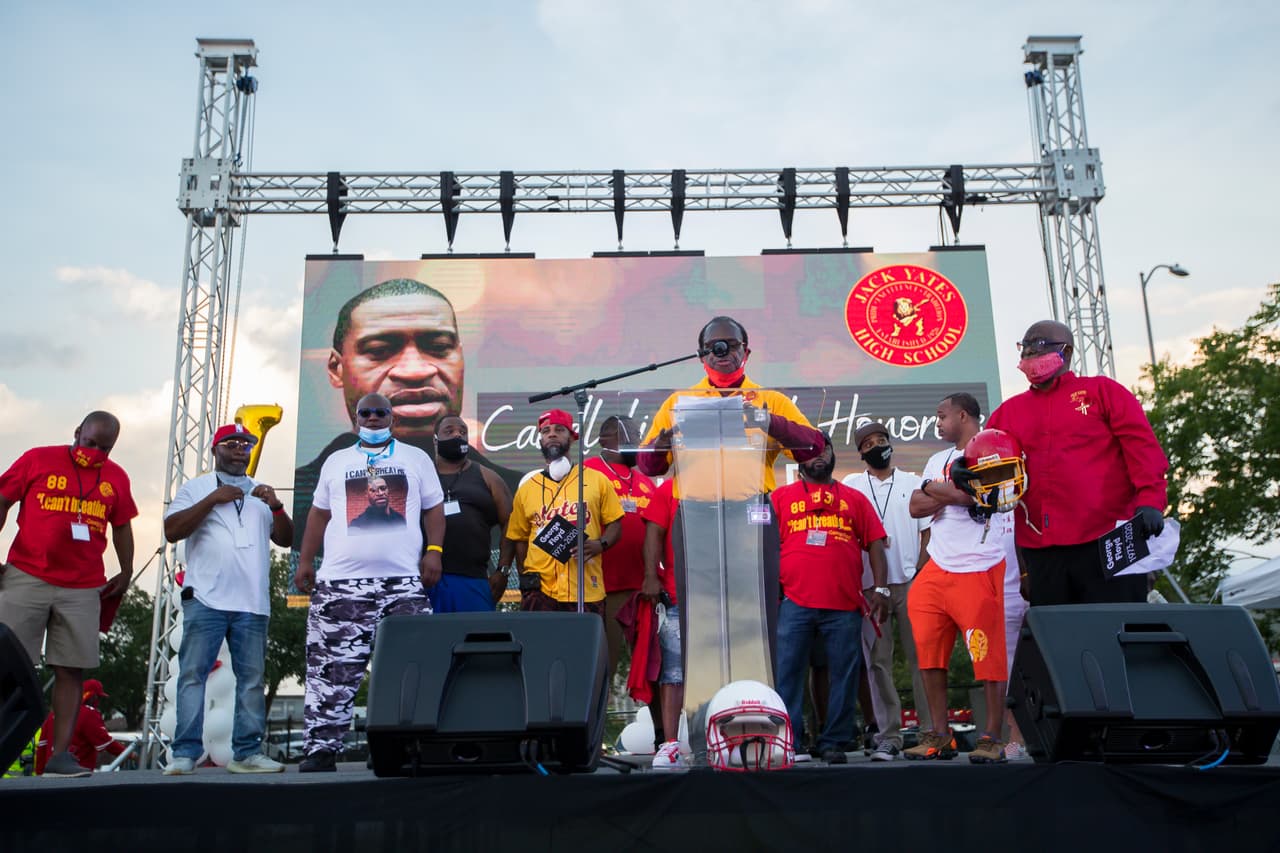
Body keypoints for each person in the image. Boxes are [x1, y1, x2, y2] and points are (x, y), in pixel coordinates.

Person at [638, 315, 825, 660]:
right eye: (713, 346)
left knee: (754, 613)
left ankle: (755, 696)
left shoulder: (770, 400)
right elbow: (649, 467)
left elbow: (814, 448)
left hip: (750, 514)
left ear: (746, 352)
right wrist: (664, 439)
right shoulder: (679, 402)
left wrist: (768, 421)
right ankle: (707, 701)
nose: (722, 351)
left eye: (730, 345)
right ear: (701, 355)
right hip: (696, 517)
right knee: (702, 618)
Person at [292, 278, 520, 550]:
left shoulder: (514, 490)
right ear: (335, 368)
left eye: (438, 347)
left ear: (460, 358)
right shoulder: (308, 491)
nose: (415, 371)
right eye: (379, 351)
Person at [293, 393, 446, 772]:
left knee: (410, 665)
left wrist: (435, 550)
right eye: (367, 413)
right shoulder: (336, 461)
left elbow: (434, 508)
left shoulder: (416, 457)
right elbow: (318, 514)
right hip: (341, 583)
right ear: (355, 419)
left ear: (392, 418)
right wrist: (306, 560)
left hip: (402, 584)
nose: (374, 418)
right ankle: (322, 749)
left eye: (381, 413)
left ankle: (400, 746)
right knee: (331, 669)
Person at [984, 320, 1170, 606]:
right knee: (1062, 639)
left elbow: (1142, 448)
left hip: (1108, 538)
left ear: (1066, 351)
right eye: (1026, 348)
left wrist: (1151, 501)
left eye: (1039, 346)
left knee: (1116, 630)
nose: (1030, 354)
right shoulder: (1009, 412)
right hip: (1043, 547)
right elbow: (983, 456)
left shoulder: (1103, 392)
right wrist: (964, 471)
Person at [0, 411, 137, 779]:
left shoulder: (116, 478)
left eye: (104, 448)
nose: (93, 452)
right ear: (77, 432)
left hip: (82, 586)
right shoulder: (38, 459)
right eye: (89, 443)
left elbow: (122, 525)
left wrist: (126, 570)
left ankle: (60, 757)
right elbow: (2, 499)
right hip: (26, 575)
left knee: (70, 669)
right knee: (7, 665)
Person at [161, 423, 294, 775]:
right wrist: (212, 500)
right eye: (231, 443)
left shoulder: (261, 493)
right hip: (206, 598)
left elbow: (286, 540)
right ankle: (185, 754)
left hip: (252, 603)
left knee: (251, 680)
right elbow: (172, 530)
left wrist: (277, 507)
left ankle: (246, 753)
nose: (240, 448)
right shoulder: (196, 488)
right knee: (193, 676)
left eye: (246, 444)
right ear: (215, 449)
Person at [905, 393, 1012, 763]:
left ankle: (992, 736)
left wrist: (938, 491)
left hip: (978, 564)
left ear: (962, 415)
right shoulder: (938, 459)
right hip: (937, 564)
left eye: (941, 415)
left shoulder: (995, 446)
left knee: (987, 655)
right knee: (929, 653)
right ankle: (939, 734)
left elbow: (983, 499)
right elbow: (915, 505)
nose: (937, 422)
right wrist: (949, 491)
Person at [772, 433, 889, 764]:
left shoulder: (854, 498)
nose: (818, 455)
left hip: (844, 604)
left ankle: (835, 740)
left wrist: (880, 589)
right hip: (793, 602)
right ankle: (789, 741)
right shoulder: (780, 498)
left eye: (824, 448)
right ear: (798, 459)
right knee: (789, 672)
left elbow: (876, 544)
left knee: (844, 674)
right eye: (810, 450)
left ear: (833, 454)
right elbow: (763, 545)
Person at [843, 421, 932, 761]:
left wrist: (921, 574)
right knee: (877, 663)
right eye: (869, 443)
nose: (877, 446)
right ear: (861, 452)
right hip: (870, 587)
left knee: (922, 659)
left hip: (911, 581)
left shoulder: (912, 481)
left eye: (882, 440)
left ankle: (931, 731)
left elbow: (926, 533)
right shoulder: (852, 485)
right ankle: (889, 734)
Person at [505, 410, 623, 617]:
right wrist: (526, 577)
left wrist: (601, 544)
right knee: (538, 649)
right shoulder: (527, 488)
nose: (551, 434)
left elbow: (615, 523)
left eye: (559, 430)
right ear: (540, 439)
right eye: (545, 431)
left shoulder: (597, 480)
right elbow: (519, 539)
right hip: (540, 591)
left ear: (572, 437)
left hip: (585, 588)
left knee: (585, 649)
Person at [584, 415, 658, 683]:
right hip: (604, 589)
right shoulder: (587, 472)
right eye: (632, 436)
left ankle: (662, 727)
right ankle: (594, 726)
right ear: (607, 439)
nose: (638, 442)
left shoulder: (645, 481)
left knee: (652, 671)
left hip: (642, 591)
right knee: (603, 670)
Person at [430, 414, 513, 612]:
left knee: (475, 641)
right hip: (427, 578)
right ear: (436, 440)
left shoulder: (489, 477)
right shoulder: (421, 475)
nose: (457, 435)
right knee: (430, 641)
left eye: (462, 432)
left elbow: (511, 523)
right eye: (449, 431)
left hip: (474, 580)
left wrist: (503, 570)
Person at [641, 477, 685, 771]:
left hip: (719, 596)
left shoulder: (725, 484)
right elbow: (654, 533)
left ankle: (720, 737)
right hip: (677, 593)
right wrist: (651, 576)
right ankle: (670, 743)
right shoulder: (670, 488)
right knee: (672, 671)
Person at [33, 678, 125, 774]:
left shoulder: (53, 714)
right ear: (93, 697)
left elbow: (42, 747)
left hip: (49, 776)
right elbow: (107, 743)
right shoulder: (89, 714)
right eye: (99, 697)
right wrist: (132, 755)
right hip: (77, 777)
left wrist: (39, 776)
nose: (99, 701)